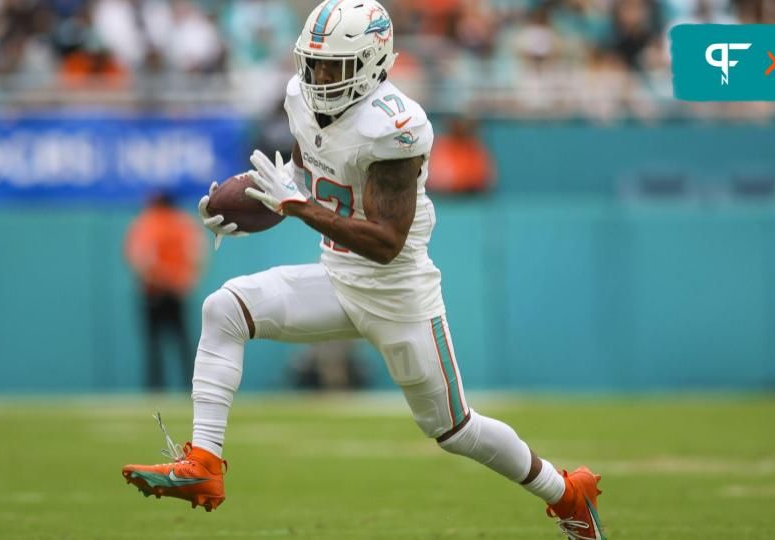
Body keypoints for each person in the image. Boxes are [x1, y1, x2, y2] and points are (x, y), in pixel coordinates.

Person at [121, 2, 605, 538]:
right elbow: (315, 175)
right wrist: (260, 195)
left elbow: (386, 244)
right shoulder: (297, 99)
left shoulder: (394, 127)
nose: (321, 77)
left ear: (374, 64)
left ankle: (568, 493)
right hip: (336, 277)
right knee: (224, 308)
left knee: (455, 430)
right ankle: (204, 467)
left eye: (337, 66)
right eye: (315, 63)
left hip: (399, 296)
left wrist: (295, 206)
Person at [123, 192, 206, 391]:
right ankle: (193, 387)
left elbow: (141, 259)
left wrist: (158, 278)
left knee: (154, 345)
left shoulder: (148, 223)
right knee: (183, 344)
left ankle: (156, 389)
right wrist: (182, 280)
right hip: (177, 291)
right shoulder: (183, 224)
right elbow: (196, 256)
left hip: (154, 291)